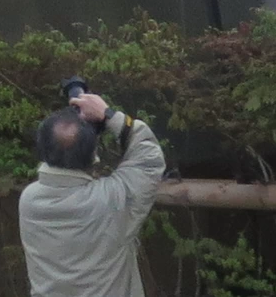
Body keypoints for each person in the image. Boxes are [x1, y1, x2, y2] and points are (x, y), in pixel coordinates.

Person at [17, 85, 166, 297]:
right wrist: (109, 115)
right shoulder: (111, 201)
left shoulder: (29, 200)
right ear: (94, 155)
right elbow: (148, 158)